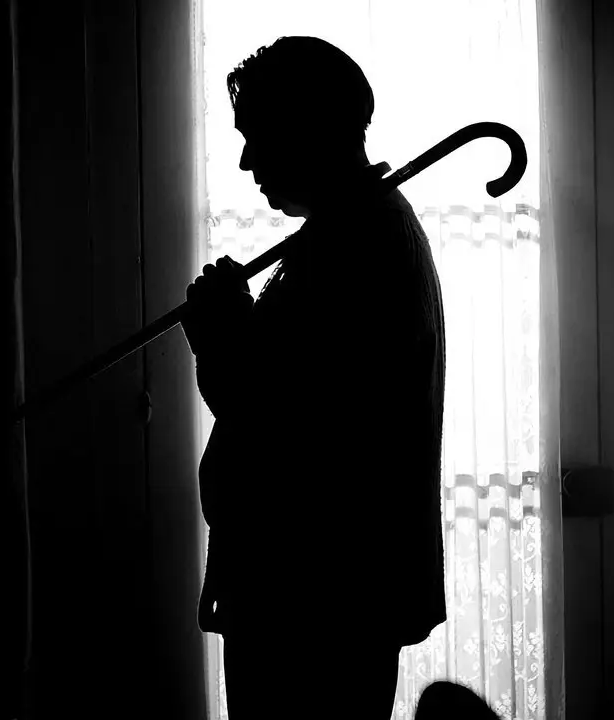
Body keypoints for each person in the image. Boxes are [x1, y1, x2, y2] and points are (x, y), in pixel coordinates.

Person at [184, 36, 447, 718]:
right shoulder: (352, 234)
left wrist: (220, 336)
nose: (246, 161)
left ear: (307, 129)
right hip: (317, 595)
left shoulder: (357, 245)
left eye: (257, 136)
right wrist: (236, 328)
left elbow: (284, 424)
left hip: (313, 601)